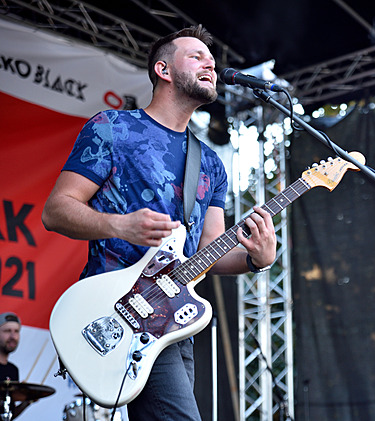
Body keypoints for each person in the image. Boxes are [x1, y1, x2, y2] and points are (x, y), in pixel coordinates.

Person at [41, 25, 277, 421]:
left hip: (172, 323)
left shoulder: (211, 164)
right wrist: (119, 225)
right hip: (117, 311)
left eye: (213, 62)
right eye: (197, 57)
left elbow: (210, 253)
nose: (211, 65)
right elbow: (57, 210)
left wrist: (257, 260)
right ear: (164, 70)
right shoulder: (113, 128)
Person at [0, 312, 33, 418]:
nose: (13, 336)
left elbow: (8, 415)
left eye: (16, 331)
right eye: (7, 331)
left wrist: (27, 401)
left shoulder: (13, 370)